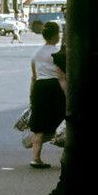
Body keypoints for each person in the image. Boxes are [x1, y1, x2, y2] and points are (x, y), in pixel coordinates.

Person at [28, 21, 66, 168]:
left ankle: (35, 157)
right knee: (65, 120)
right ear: (56, 35)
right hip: (54, 88)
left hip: (39, 87)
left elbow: (34, 76)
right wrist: (68, 96)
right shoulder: (57, 53)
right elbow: (62, 77)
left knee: (38, 125)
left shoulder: (36, 53)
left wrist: (31, 96)